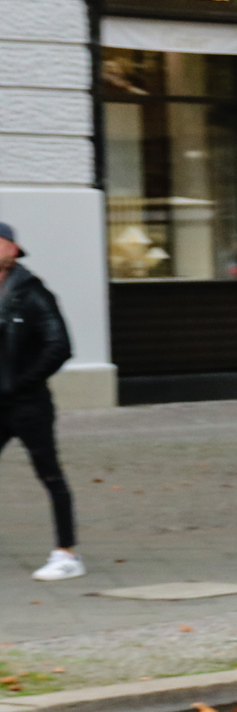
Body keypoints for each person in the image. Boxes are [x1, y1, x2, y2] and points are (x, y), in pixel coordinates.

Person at [0, 222, 81, 581]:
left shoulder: (32, 294)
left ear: (14, 250)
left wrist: (23, 382)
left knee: (50, 474)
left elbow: (59, 345)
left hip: (27, 403)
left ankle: (66, 554)